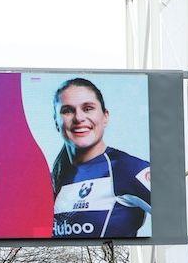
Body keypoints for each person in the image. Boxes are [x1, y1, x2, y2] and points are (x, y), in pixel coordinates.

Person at [50, 78, 152, 239]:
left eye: (88, 108)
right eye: (68, 110)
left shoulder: (129, 168)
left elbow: (177, 218)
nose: (79, 118)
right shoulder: (52, 180)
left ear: (105, 116)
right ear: (56, 122)